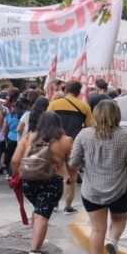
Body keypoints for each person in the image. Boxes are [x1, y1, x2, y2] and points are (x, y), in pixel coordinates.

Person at [69, 100, 127, 254]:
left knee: (96, 229)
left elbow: (73, 162)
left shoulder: (84, 135)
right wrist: (122, 163)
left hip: (92, 191)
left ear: (95, 114)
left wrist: (85, 165)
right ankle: (113, 240)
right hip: (119, 190)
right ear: (116, 115)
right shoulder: (126, 136)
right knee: (119, 219)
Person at [11, 111, 72, 254]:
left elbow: (15, 160)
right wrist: (69, 177)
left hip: (28, 182)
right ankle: (35, 251)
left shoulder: (28, 137)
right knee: (42, 215)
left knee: (39, 211)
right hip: (51, 182)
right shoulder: (65, 140)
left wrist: (17, 175)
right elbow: (72, 163)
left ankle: (37, 239)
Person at [47, 81, 94, 214]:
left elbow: (46, 122)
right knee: (72, 175)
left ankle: (54, 203)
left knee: (55, 174)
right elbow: (90, 127)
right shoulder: (84, 106)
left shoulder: (54, 104)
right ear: (79, 92)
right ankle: (68, 205)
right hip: (74, 144)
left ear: (65, 90)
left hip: (56, 143)